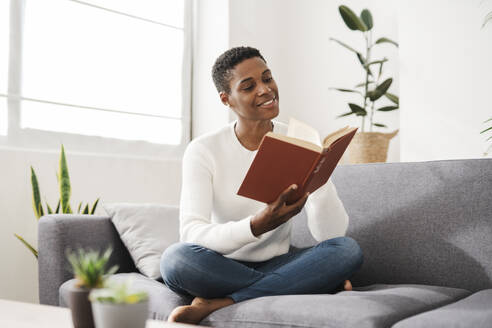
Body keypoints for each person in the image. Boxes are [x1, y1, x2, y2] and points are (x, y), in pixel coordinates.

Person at [160, 46, 363, 324]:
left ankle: (221, 302)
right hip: (220, 265)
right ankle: (304, 284)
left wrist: (319, 178)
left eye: (267, 78)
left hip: (280, 261)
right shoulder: (203, 150)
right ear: (226, 100)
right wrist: (256, 225)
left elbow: (331, 234)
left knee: (346, 250)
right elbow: (192, 232)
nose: (265, 90)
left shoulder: (299, 139)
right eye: (248, 86)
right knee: (176, 260)